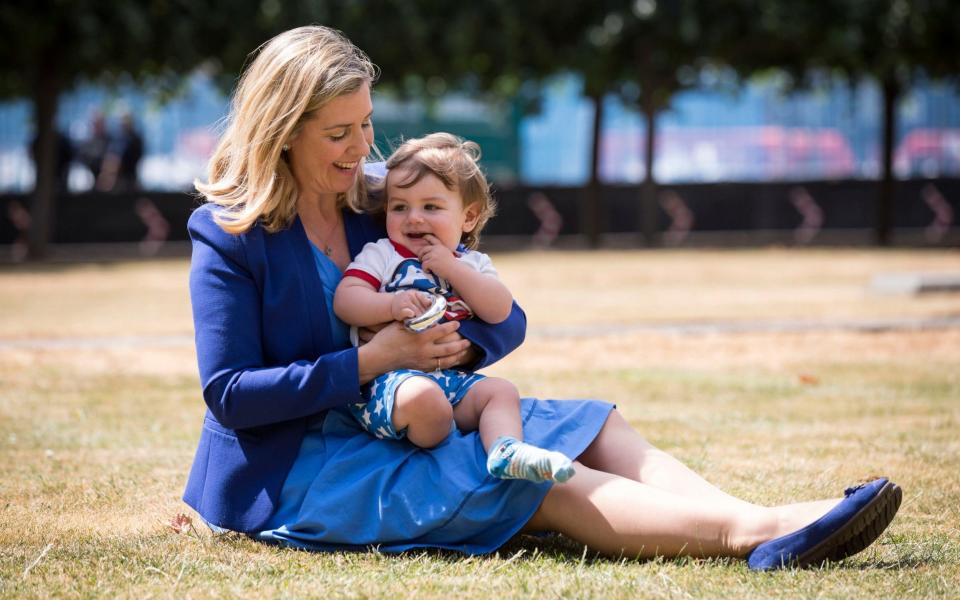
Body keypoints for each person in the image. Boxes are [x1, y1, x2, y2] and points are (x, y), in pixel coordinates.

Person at [185, 25, 902, 569]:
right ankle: (754, 536)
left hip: (419, 404)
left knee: (593, 426)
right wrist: (378, 362)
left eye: (366, 123)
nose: (361, 148)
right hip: (301, 466)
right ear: (281, 133)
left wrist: (456, 343)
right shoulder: (229, 234)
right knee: (532, 479)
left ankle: (761, 515)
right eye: (338, 133)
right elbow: (230, 393)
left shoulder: (378, 198)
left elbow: (507, 319)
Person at [334, 132, 575, 483]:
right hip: (388, 384)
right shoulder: (382, 253)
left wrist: (452, 268)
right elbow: (346, 299)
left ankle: (506, 450)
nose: (413, 218)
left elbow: (500, 311)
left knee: (501, 391)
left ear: (469, 217)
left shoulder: (471, 263)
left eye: (431, 207)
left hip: (452, 382)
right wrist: (390, 304)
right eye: (399, 207)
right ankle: (440, 452)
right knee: (425, 402)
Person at [98, 112, 143, 192]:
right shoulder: (117, 138)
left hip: (129, 179)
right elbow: (111, 157)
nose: (124, 124)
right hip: (118, 181)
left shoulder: (135, 139)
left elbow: (131, 158)